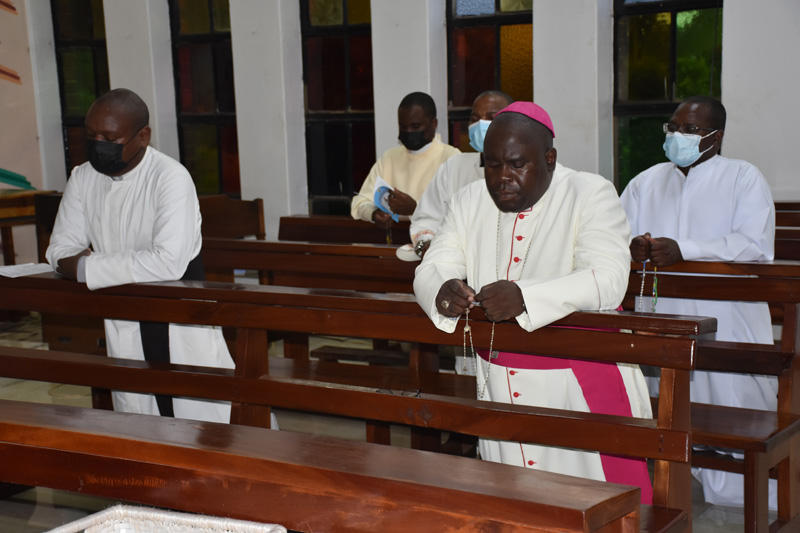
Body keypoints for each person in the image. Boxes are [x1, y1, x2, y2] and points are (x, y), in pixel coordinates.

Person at [414, 102, 653, 503]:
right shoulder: (468, 201)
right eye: (491, 165)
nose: (502, 178)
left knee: (600, 504)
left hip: (579, 383)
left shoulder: (589, 192)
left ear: (550, 158)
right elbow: (432, 265)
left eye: (516, 164)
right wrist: (442, 288)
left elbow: (610, 280)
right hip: (499, 380)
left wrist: (525, 296)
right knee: (515, 502)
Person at [620, 95, 776, 508]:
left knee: (731, 403)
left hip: (726, 312)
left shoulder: (743, 177)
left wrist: (684, 249)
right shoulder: (647, 180)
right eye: (673, 127)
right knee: (667, 403)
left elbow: (754, 246)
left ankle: (749, 486)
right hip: (662, 310)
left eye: (689, 129)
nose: (677, 135)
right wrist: (632, 247)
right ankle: (672, 475)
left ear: (715, 136)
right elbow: (618, 236)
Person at [46, 88, 237, 424]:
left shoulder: (169, 178)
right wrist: (81, 264)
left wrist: (87, 266)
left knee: (201, 423)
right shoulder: (83, 177)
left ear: (143, 136)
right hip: (121, 312)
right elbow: (59, 251)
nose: (98, 144)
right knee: (137, 418)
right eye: (91, 135)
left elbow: (167, 262)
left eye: (109, 136)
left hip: (177, 313)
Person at [408, 90, 514, 259]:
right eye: (474, 118)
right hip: (452, 266)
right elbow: (428, 216)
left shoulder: (524, 173)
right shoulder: (454, 167)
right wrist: (426, 242)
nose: (480, 124)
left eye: (491, 117)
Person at [350, 91, 460, 229]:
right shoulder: (389, 158)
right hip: (395, 239)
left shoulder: (452, 158)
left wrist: (415, 208)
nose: (408, 132)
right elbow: (360, 202)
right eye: (402, 126)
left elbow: (458, 212)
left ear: (434, 123)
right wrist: (374, 214)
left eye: (415, 126)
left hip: (435, 243)